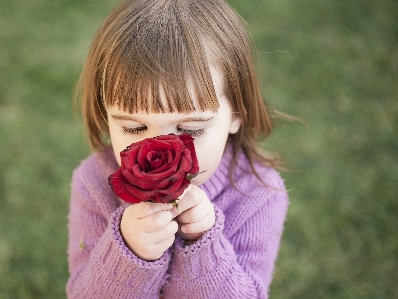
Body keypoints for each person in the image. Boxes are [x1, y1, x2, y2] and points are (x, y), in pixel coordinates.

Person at [67, 0, 289, 298]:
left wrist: (201, 246)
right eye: (134, 128)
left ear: (237, 113)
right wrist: (129, 251)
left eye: (189, 129)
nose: (158, 147)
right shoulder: (94, 182)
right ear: (106, 117)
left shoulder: (258, 193)